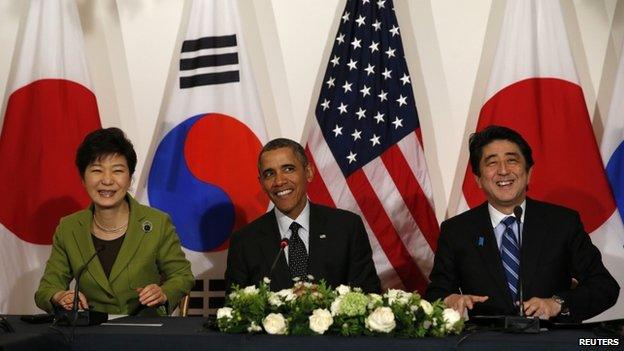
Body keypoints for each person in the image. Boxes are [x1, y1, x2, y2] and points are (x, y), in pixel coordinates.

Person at [426, 125, 619, 322]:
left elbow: (604, 287)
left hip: (552, 342)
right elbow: (436, 292)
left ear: (529, 172)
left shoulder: (562, 223)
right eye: (492, 163)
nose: (503, 170)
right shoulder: (457, 230)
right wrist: (451, 300)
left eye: (512, 160)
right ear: (478, 179)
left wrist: (557, 303)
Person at [35, 128, 194, 316]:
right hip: (89, 332)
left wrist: (163, 293)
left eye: (117, 171)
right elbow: (47, 288)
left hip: (142, 330)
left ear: (129, 179)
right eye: (97, 170)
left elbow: (182, 275)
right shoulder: (69, 228)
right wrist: (60, 296)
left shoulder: (157, 224)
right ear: (83, 179)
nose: (107, 180)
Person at [225, 138, 381, 293]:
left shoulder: (346, 227)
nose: (279, 181)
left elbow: (368, 294)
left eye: (288, 169)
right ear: (262, 184)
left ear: (308, 172)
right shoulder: (244, 242)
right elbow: (235, 308)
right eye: (269, 174)